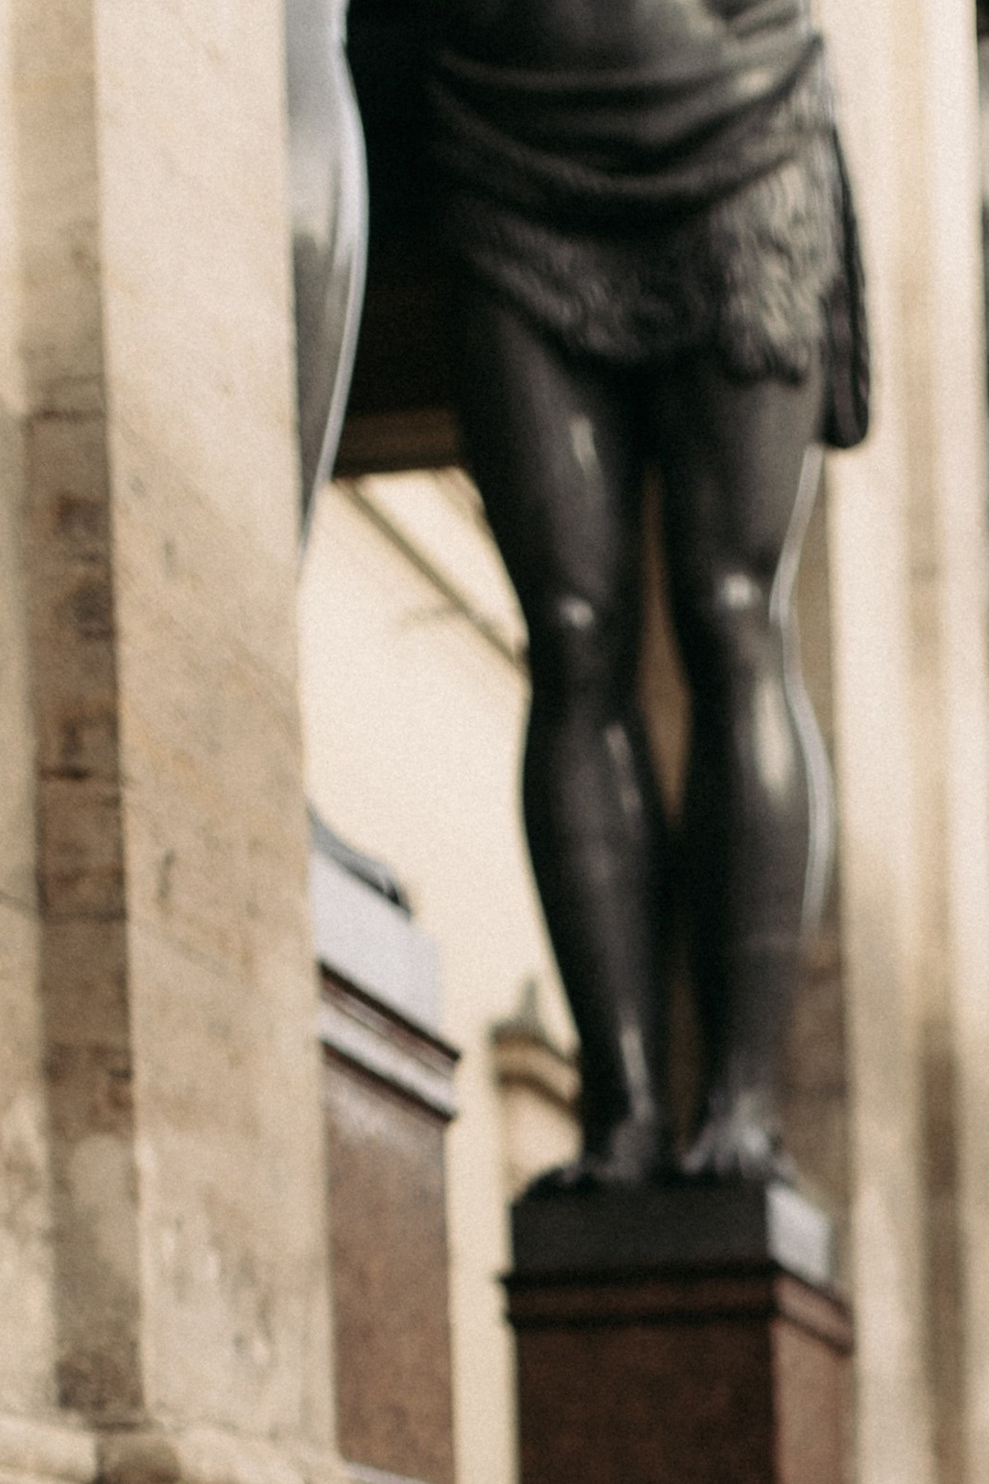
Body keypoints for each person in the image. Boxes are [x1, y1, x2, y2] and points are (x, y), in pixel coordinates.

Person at [421, 0, 871, 1186]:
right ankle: (620, 1107)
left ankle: (744, 1100)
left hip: (737, 127)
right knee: (571, 634)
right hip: (503, 137)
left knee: (733, 611)